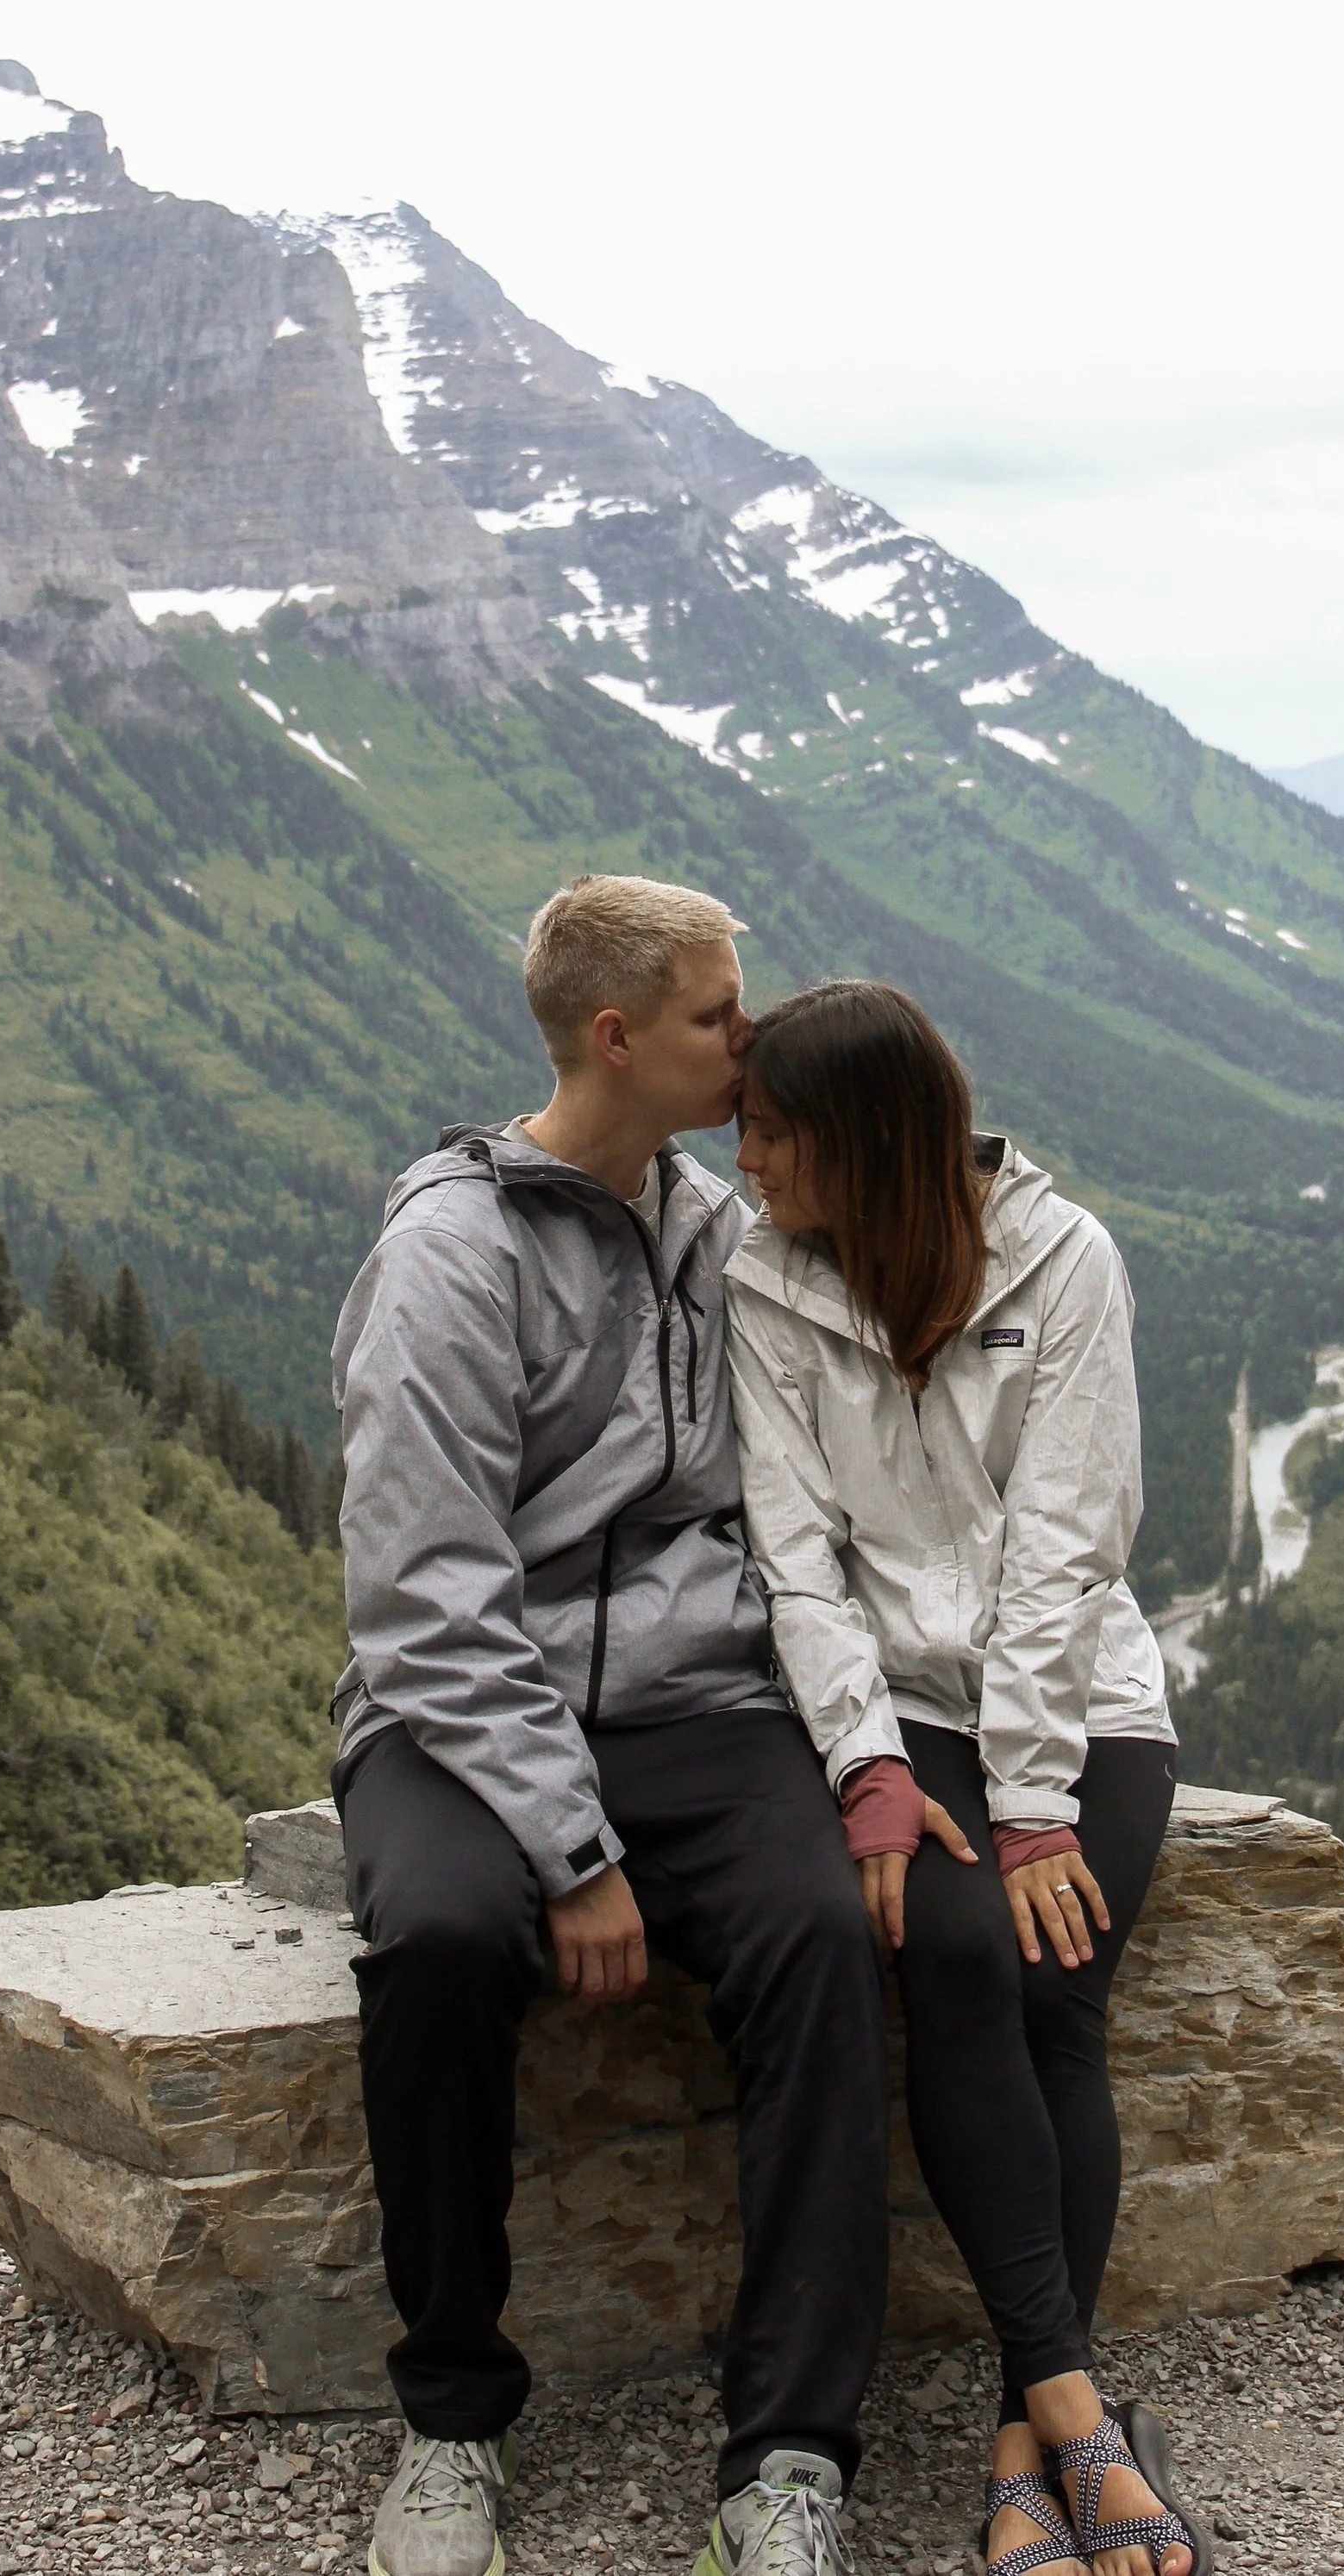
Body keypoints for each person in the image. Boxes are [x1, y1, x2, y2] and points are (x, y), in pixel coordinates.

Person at [333, 877, 889, 2576]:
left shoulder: (716, 1228)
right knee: (435, 1938)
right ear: (616, 1035)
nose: (749, 1041)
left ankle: (787, 2451)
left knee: (815, 1933)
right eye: (721, 1017)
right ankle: (447, 2424)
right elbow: (422, 1588)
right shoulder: (449, 1256)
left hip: (687, 1696)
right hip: (458, 1706)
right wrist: (574, 1851)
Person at [727, 981, 1203, 2576]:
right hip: (895, 1710)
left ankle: (1023, 2435)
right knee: (952, 1952)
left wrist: (1035, 1803)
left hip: (1079, 1706)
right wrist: (866, 1765)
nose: (745, 1162)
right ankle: (1076, 2414)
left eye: (773, 1133)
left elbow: (1069, 1554)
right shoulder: (764, 1275)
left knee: (1057, 1978)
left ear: (861, 1140)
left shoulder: (1067, 1265)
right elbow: (796, 1562)